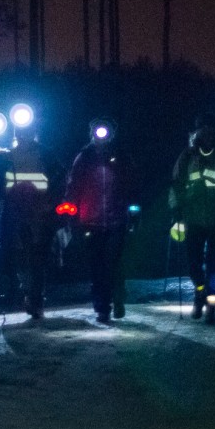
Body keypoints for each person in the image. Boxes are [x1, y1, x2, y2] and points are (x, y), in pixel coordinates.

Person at [168, 113, 215, 324]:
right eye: (203, 127)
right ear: (197, 131)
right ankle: (200, 292)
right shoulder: (187, 155)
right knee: (194, 264)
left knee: (214, 266)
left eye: (210, 127)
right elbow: (176, 184)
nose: (207, 131)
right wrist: (176, 208)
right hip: (193, 218)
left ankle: (211, 307)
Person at [65, 118, 140, 324]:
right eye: (98, 130)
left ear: (112, 133)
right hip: (90, 220)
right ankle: (102, 308)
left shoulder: (122, 156)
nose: (102, 134)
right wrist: (71, 211)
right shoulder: (85, 157)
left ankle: (117, 297)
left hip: (117, 220)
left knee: (113, 263)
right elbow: (73, 185)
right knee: (97, 266)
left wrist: (133, 213)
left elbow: (133, 186)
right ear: (92, 132)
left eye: (106, 130)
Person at [0, 120, 63, 320]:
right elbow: (0, 186)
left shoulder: (46, 154)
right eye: (22, 133)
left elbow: (59, 178)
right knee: (22, 258)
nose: (25, 136)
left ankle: (36, 300)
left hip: (40, 215)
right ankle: (27, 294)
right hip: (17, 216)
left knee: (38, 259)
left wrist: (50, 203)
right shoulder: (7, 158)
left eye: (28, 132)